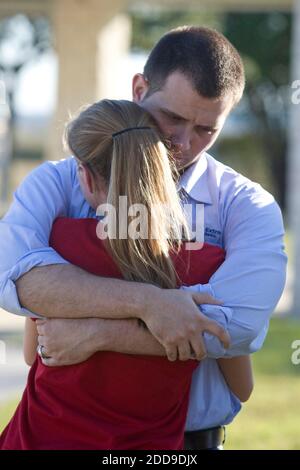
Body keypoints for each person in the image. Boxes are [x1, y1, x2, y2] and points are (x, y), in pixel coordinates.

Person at [0, 26, 287, 450]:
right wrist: (152, 303)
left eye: (207, 129)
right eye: (171, 117)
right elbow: (13, 277)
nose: (183, 142)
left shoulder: (247, 206)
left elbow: (238, 326)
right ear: (139, 88)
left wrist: (98, 332)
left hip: (184, 444)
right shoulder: (58, 183)